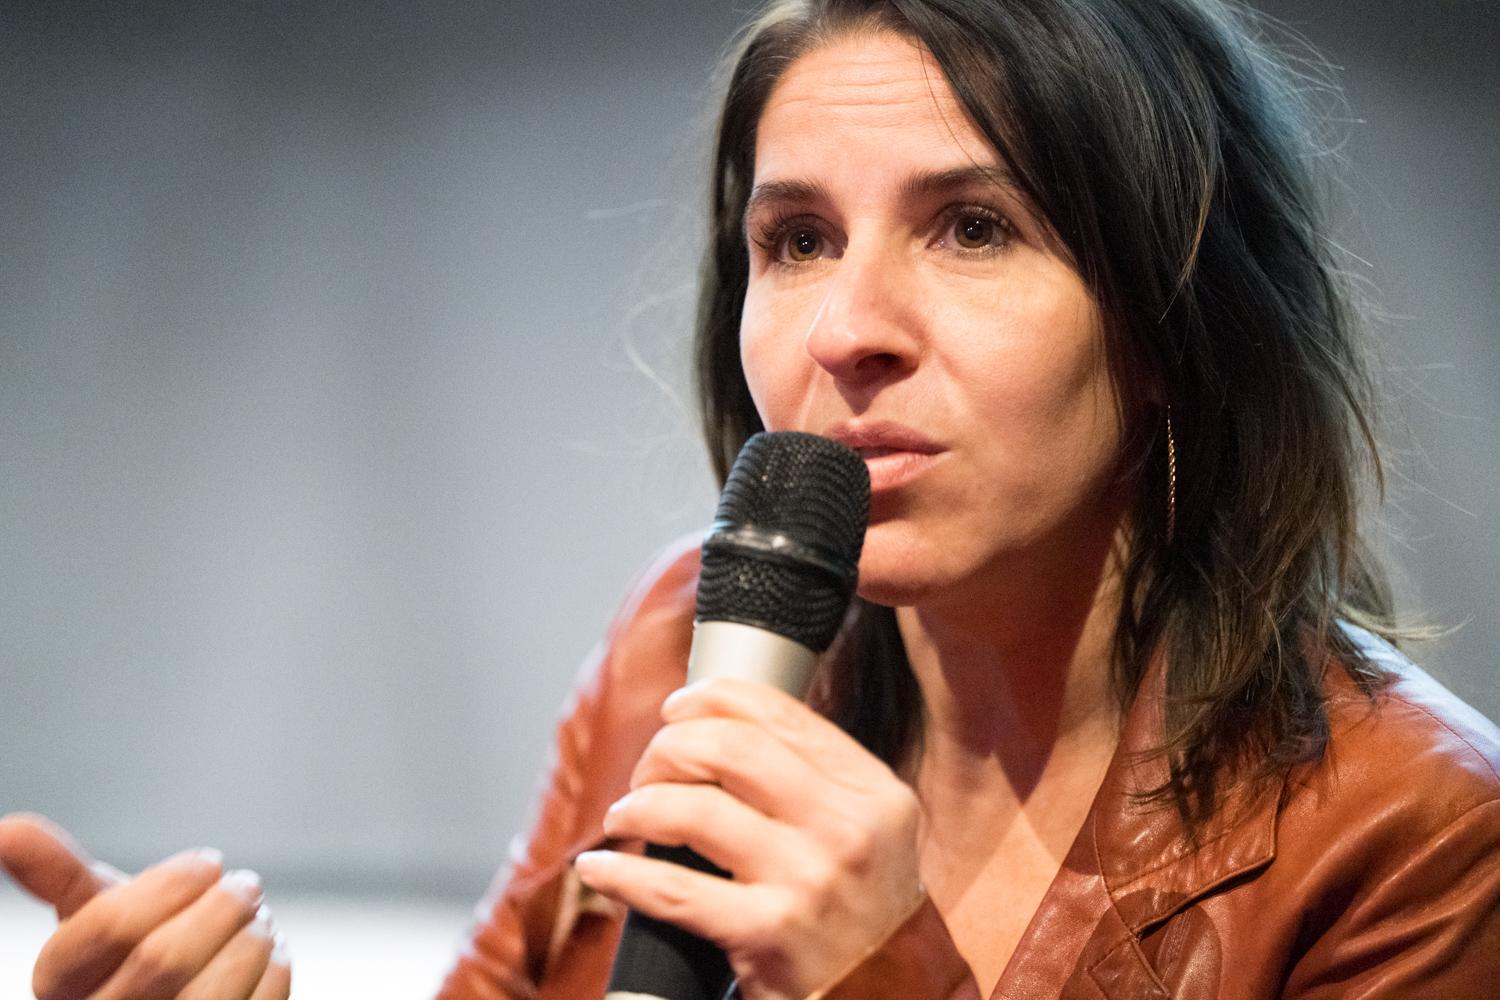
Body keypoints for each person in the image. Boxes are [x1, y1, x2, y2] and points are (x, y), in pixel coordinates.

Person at [3, 0, 1498, 997]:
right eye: (796, 241)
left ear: (1175, 320)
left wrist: (881, 977)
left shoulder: (1417, 841)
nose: (847, 329)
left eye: (974, 228)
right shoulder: (679, 641)